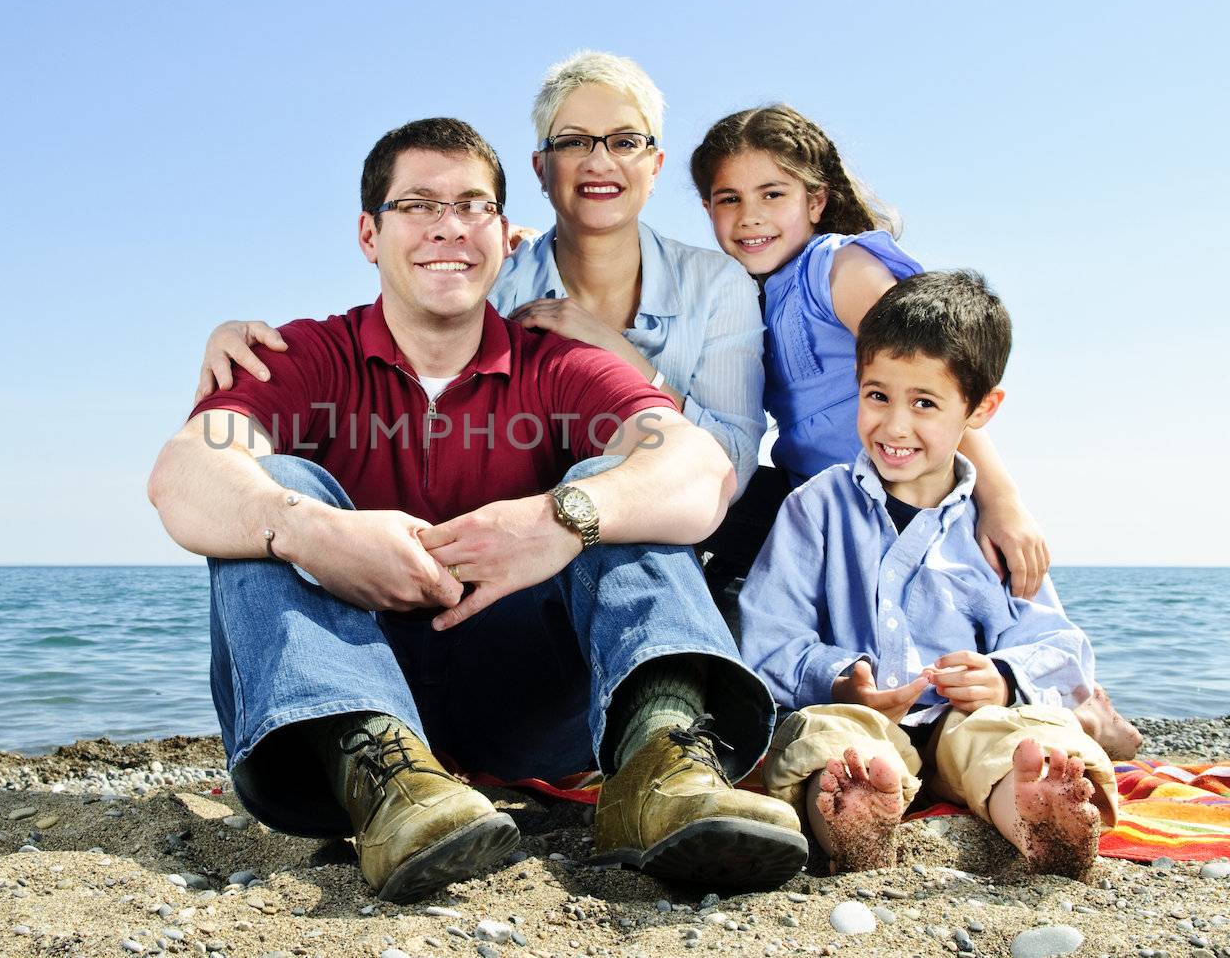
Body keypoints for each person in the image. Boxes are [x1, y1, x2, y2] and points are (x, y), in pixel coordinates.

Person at [148, 117, 805, 902]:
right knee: (266, 487)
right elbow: (184, 471)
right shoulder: (302, 357)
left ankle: (662, 768)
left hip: (538, 708)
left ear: (502, 232)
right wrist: (312, 528)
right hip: (342, 702)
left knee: (620, 485)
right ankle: (387, 784)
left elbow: (701, 469)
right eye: (419, 205)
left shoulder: (560, 362)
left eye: (471, 205)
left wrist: (562, 518)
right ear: (369, 232)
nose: (448, 226)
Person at [690, 106, 1139, 757]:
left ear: (816, 200)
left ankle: (1088, 714)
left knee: (992, 622)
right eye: (728, 199)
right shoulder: (746, 293)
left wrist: (1001, 498)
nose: (750, 215)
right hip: (816, 500)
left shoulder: (834, 268)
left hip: (905, 486)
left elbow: (935, 368)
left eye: (772, 194)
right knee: (691, 509)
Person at [735, 271, 1117, 878]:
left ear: (981, 408)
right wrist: (837, 679)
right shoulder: (817, 506)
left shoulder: (990, 528)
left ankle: (1039, 812)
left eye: (925, 404)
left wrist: (1003, 676)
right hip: (868, 716)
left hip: (965, 717)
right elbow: (767, 634)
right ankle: (857, 815)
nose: (894, 426)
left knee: (1011, 736)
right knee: (833, 739)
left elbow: (1060, 646)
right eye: (877, 396)